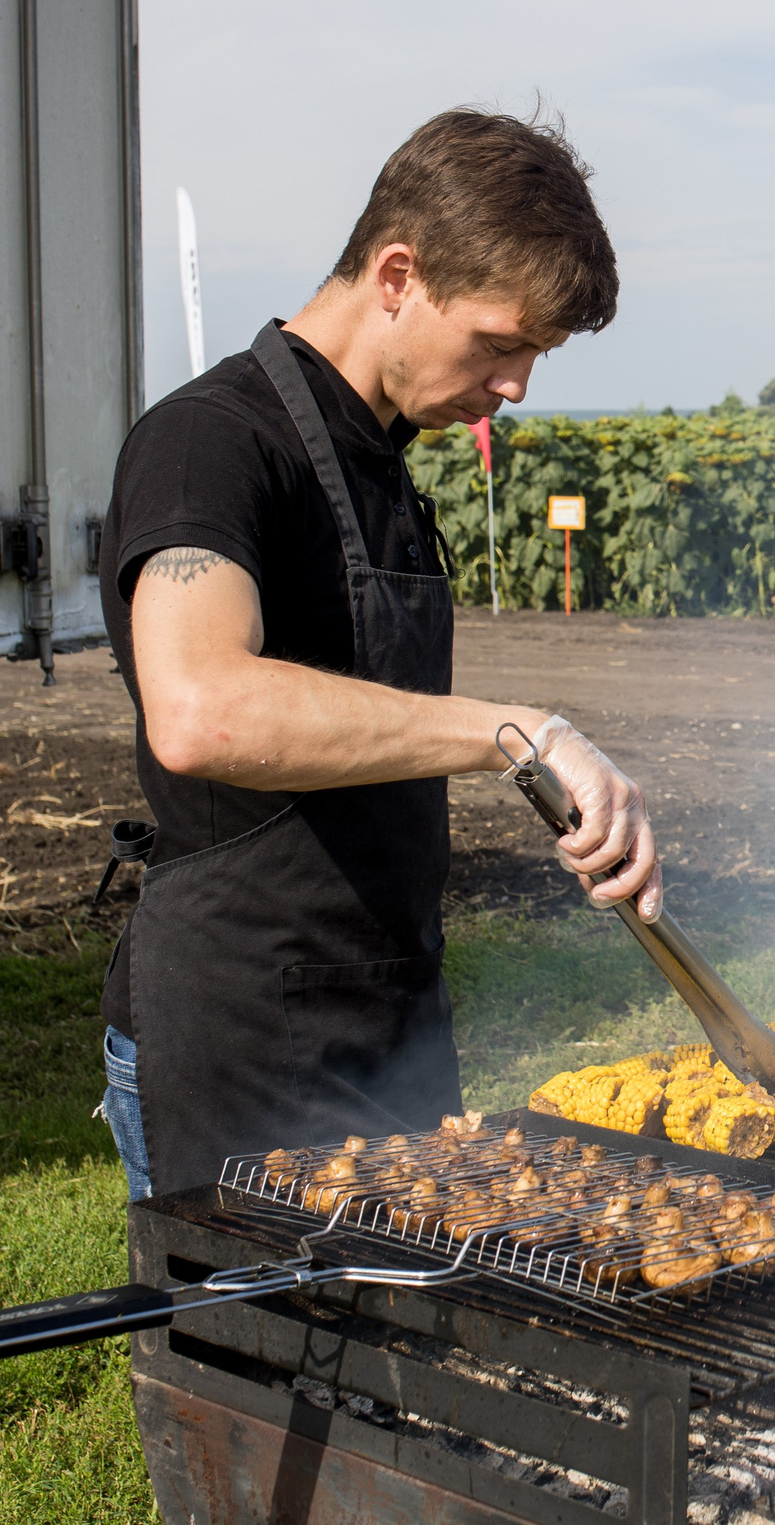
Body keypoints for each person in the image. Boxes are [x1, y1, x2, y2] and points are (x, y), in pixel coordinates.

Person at [94, 109, 659, 1200]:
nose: (516, 386)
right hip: (241, 1039)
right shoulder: (211, 443)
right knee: (253, 1366)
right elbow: (202, 708)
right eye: (501, 343)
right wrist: (517, 734)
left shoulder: (382, 461)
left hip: (384, 1018)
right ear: (397, 273)